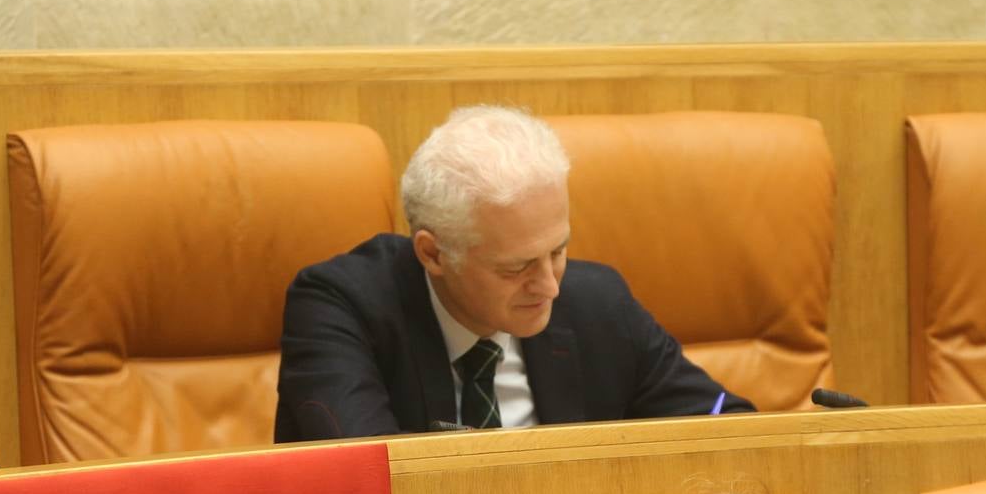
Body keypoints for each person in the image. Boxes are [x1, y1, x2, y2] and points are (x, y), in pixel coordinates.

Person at [275, 104, 746, 441]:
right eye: (516, 267)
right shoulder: (341, 306)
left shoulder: (597, 304)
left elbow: (732, 429)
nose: (550, 286)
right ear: (433, 254)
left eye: (558, 251)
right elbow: (362, 477)